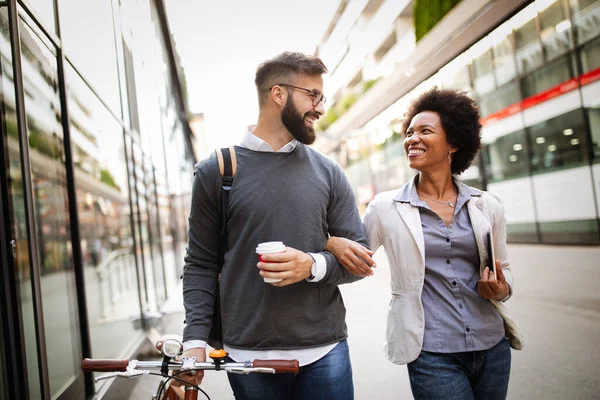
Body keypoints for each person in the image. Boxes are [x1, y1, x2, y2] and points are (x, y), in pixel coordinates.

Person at [180, 52, 373, 400]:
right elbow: (200, 264)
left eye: (321, 97)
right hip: (247, 357)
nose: (320, 107)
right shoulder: (217, 171)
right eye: (312, 95)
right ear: (279, 94)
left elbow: (360, 260)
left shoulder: (328, 172)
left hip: (324, 351)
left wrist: (312, 265)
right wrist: (194, 341)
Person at [326, 87, 523, 400]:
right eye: (409, 132)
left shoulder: (488, 205)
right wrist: (330, 244)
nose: (411, 139)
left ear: (454, 143)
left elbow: (505, 270)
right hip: (432, 351)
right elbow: (353, 264)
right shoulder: (385, 207)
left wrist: (501, 288)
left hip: (493, 347)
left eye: (425, 131)